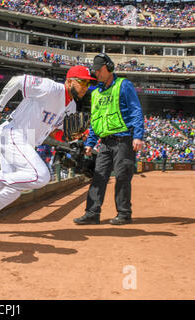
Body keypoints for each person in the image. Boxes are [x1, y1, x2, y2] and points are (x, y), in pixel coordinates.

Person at [0, 65, 95, 234]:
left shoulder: (70, 106)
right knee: (41, 176)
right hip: (13, 133)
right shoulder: (51, 87)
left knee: (13, 191)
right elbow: (17, 81)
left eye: (88, 84)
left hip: (24, 143)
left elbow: (56, 132)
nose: (85, 87)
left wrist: (75, 135)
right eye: (83, 82)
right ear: (70, 81)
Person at [73, 53, 144, 226]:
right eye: (95, 70)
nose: (96, 74)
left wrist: (138, 136)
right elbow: (95, 120)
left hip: (124, 140)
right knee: (98, 177)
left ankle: (124, 213)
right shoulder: (96, 93)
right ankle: (92, 214)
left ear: (109, 68)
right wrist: (90, 143)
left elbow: (136, 110)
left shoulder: (123, 85)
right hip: (104, 142)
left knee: (122, 177)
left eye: (99, 70)